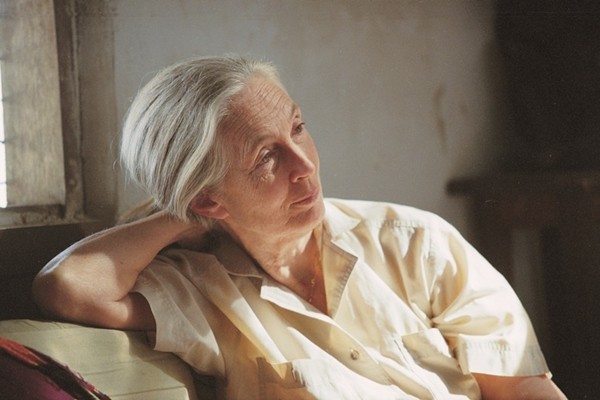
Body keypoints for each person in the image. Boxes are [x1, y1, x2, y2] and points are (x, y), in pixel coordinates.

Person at [33, 55, 566, 399]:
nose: (304, 164)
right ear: (207, 198)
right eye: (267, 156)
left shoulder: (415, 242)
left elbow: (522, 389)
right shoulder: (200, 295)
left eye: (297, 128)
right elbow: (68, 286)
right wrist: (179, 215)